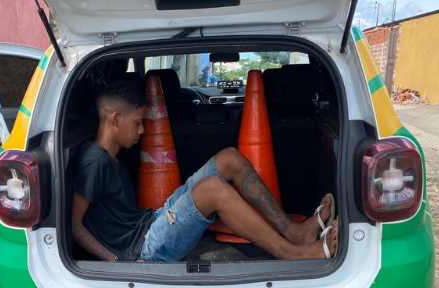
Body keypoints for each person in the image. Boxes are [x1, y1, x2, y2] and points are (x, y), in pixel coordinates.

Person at [72, 81, 337, 262]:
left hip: (151, 222)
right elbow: (74, 224)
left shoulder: (112, 156)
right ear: (116, 119)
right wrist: (116, 262)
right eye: (138, 123)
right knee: (213, 189)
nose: (142, 131)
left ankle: (294, 233)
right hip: (143, 249)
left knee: (229, 158)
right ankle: (291, 253)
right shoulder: (94, 162)